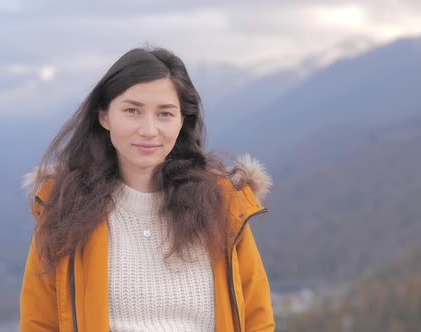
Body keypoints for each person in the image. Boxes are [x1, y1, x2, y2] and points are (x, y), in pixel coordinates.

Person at [20, 46, 275, 332]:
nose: (149, 130)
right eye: (132, 111)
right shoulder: (65, 210)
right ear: (104, 116)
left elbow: (257, 320)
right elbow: (39, 323)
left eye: (165, 114)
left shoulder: (222, 206)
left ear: (182, 121)